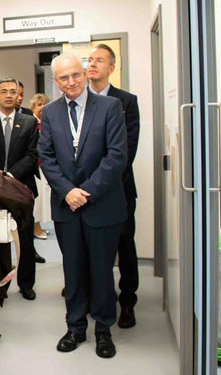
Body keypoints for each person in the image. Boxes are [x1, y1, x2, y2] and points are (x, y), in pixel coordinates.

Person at [38, 53, 127, 359]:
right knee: (73, 271)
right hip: (67, 208)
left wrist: (84, 192)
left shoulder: (110, 107)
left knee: (102, 270)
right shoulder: (50, 113)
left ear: (86, 73)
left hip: (101, 204)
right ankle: (75, 327)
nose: (72, 82)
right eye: (64, 77)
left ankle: (103, 329)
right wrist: (67, 191)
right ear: (56, 81)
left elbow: (116, 157)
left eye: (76, 74)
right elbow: (46, 158)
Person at [86, 44, 141, 328]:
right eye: (90, 60)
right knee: (87, 247)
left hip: (118, 188)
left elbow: (126, 151)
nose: (93, 64)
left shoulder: (126, 102)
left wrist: (97, 181)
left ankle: (127, 302)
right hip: (82, 191)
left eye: (100, 60)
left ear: (112, 68)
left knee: (123, 245)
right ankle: (91, 298)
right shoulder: (77, 99)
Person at [0, 78, 40, 302]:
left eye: (13, 91)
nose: (8, 95)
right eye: (3, 91)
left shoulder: (29, 121)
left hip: (21, 188)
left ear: (18, 95)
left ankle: (26, 284)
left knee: (24, 237)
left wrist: (10, 176)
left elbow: (33, 155)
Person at [30, 93, 52, 241]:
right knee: (37, 201)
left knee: (44, 199)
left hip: (45, 167)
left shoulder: (47, 123)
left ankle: (39, 226)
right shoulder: (31, 123)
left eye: (45, 104)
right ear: (33, 107)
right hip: (35, 168)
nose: (42, 107)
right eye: (39, 104)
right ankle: (35, 227)